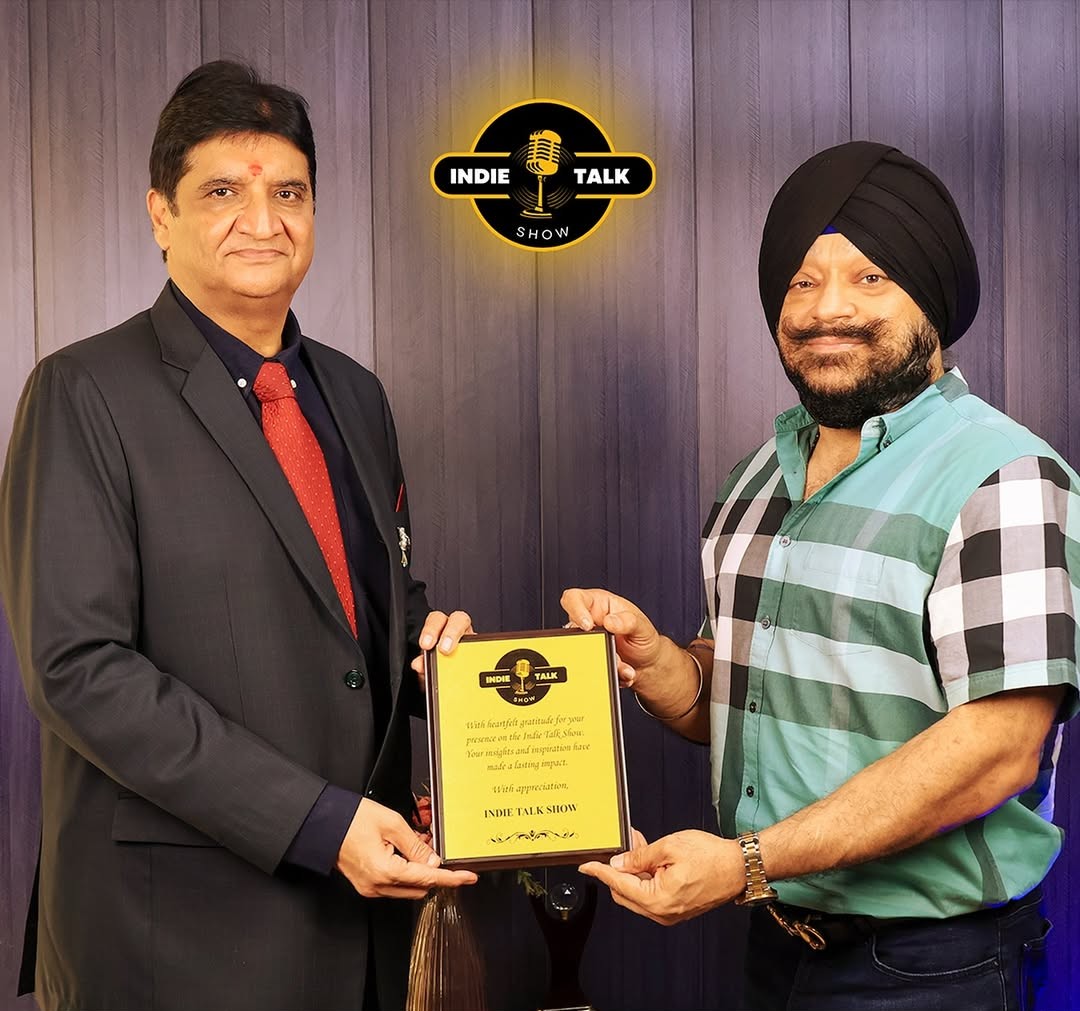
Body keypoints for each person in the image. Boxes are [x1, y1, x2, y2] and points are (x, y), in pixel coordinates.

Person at [0, 60, 475, 1011]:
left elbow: (360, 610)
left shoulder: (355, 394)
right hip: (174, 940)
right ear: (160, 215)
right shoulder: (83, 391)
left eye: (288, 192)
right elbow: (78, 668)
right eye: (222, 191)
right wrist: (318, 822)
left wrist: (440, 662)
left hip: (363, 929)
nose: (263, 220)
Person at [559, 142, 1079, 1010]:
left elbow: (997, 750)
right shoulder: (756, 477)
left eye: (871, 277)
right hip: (776, 946)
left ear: (933, 298)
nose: (827, 308)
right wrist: (662, 666)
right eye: (802, 281)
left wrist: (746, 862)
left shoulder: (1004, 477)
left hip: (933, 969)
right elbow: (754, 703)